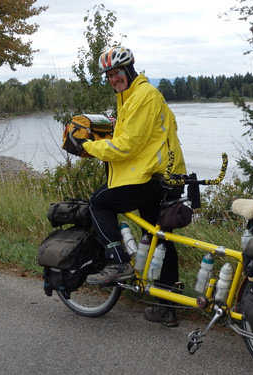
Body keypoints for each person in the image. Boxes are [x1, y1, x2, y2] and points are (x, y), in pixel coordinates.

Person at [81, 46, 186, 327]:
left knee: (99, 202)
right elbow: (135, 135)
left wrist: (89, 146)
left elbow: (127, 145)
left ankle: (117, 261)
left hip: (153, 177)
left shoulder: (143, 96)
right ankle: (167, 305)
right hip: (164, 176)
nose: (113, 79)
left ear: (128, 71)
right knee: (159, 236)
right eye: (109, 76)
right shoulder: (132, 97)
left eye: (116, 74)